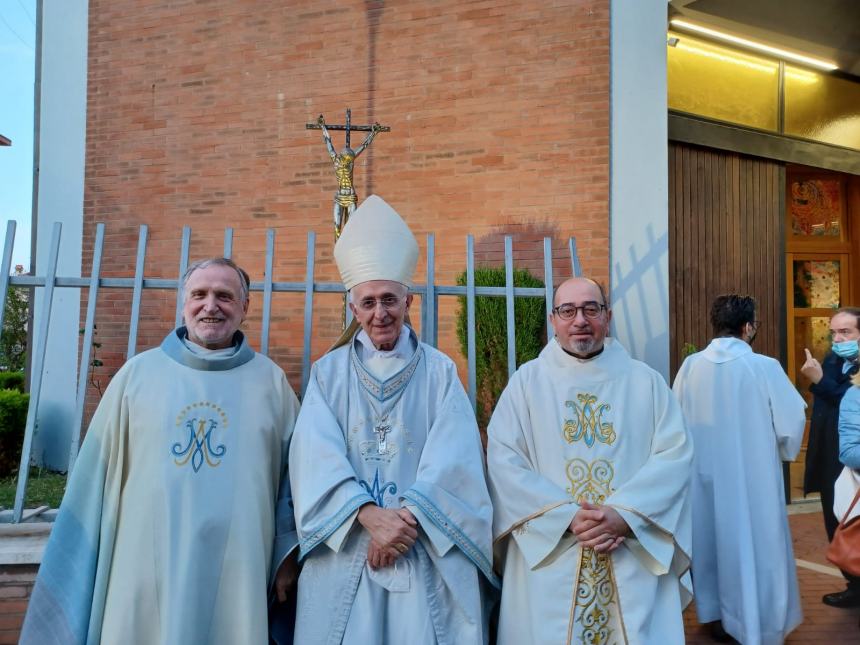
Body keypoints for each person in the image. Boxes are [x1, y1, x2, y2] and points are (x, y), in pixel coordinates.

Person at [20, 258, 301, 645]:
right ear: (183, 303)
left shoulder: (271, 383)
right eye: (199, 295)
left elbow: (296, 479)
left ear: (245, 307)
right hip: (141, 561)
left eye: (224, 296)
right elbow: (92, 482)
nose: (210, 305)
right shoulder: (137, 376)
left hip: (241, 566)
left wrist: (287, 555)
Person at [289, 195, 497, 644]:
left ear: (409, 301)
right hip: (349, 546)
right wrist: (367, 515)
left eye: (389, 300)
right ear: (353, 308)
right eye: (368, 302)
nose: (379, 313)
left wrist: (404, 521)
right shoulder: (328, 374)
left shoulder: (440, 372)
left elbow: (456, 458)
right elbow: (313, 457)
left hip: (421, 543)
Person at [487, 277, 693, 645]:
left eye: (590, 309)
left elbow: (674, 456)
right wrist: (565, 516)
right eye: (568, 310)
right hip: (553, 553)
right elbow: (505, 460)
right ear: (554, 319)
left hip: (627, 548)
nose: (579, 319)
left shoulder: (645, 382)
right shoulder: (527, 383)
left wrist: (625, 515)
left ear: (607, 316)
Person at [673, 294, 806, 644]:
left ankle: (717, 617)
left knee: (712, 545)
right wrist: (780, 450)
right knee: (757, 547)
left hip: (704, 480)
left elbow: (674, 424)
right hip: (753, 480)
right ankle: (759, 622)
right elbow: (791, 424)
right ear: (748, 327)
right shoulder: (764, 367)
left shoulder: (690, 367)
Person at [801, 307, 860, 607]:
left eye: (846, 332)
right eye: (834, 332)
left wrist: (819, 380)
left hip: (854, 462)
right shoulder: (834, 359)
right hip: (829, 457)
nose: (838, 339)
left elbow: (848, 400)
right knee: (834, 521)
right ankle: (854, 585)